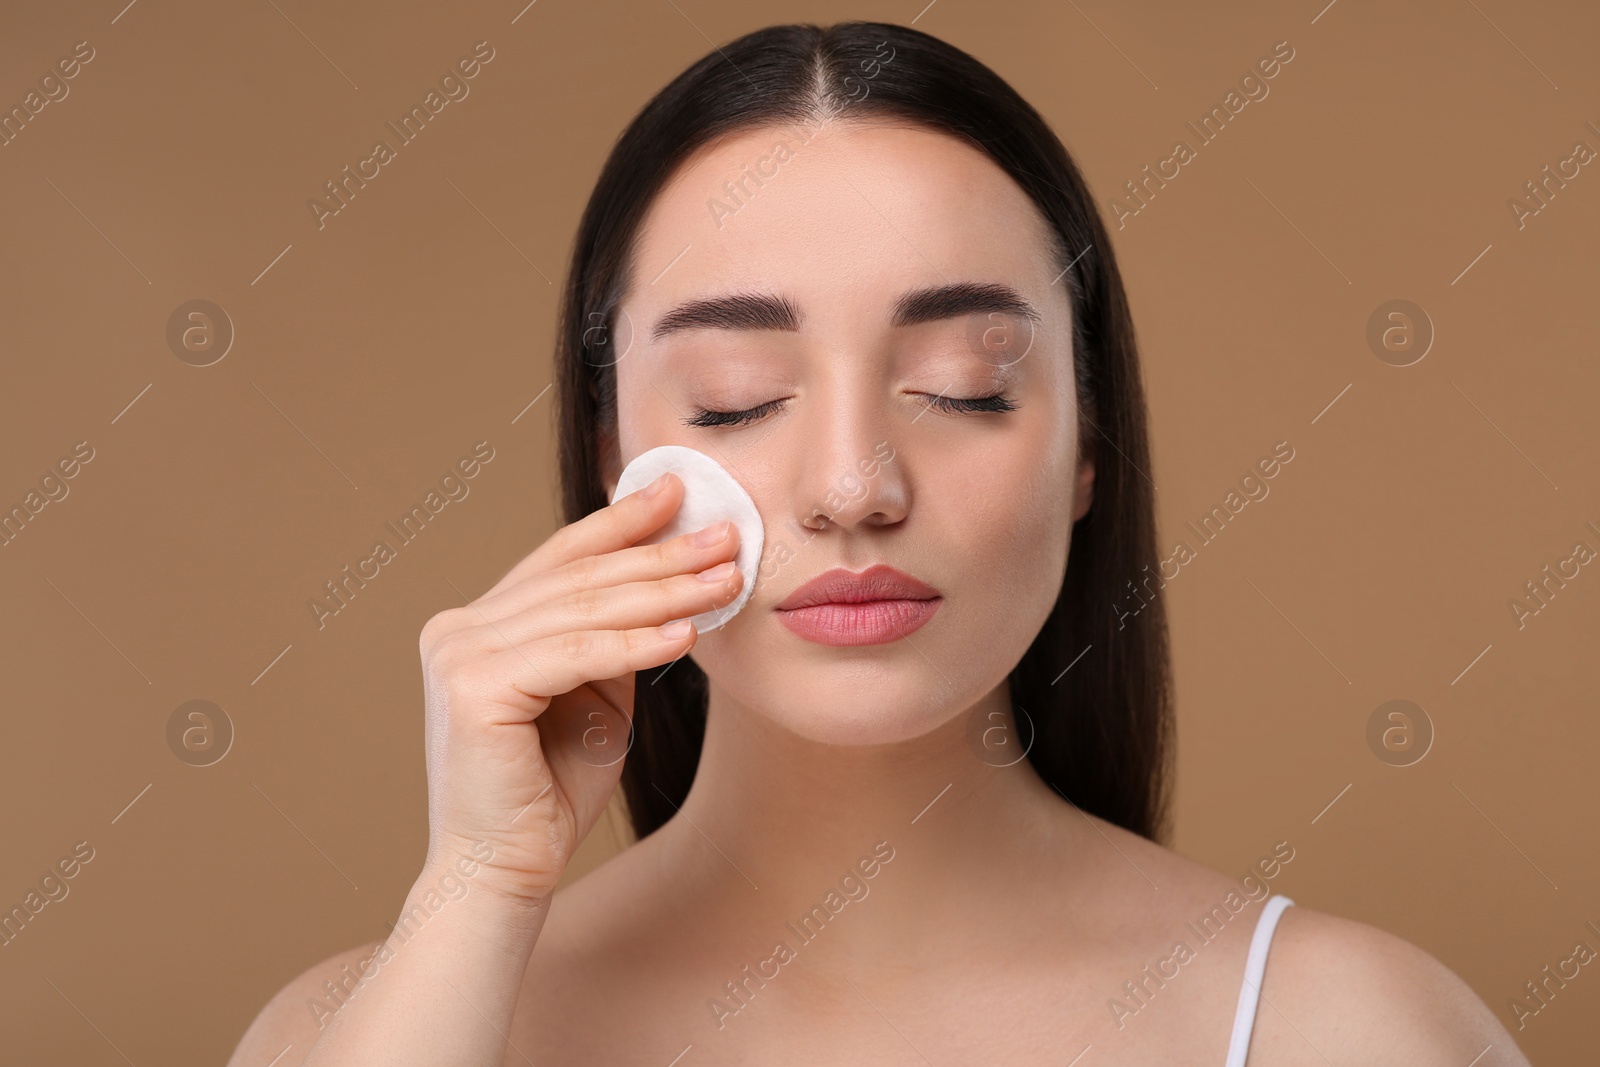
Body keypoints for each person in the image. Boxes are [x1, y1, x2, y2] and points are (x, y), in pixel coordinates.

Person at [230, 21, 1528, 1065]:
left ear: (1087, 448)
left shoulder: (1351, 1031)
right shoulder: (354, 1033)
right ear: (613, 451)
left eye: (967, 384)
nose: (852, 488)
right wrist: (474, 887)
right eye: (738, 394)